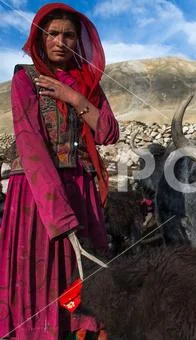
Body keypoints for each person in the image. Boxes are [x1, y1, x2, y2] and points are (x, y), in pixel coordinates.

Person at [0, 3, 119, 339]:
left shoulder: (87, 82)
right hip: (37, 193)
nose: (60, 41)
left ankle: (75, 328)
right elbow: (31, 144)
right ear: (40, 37)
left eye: (68, 34)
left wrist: (74, 97)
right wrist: (58, 214)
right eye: (52, 34)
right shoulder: (25, 77)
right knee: (39, 269)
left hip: (80, 187)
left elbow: (108, 132)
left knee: (79, 269)